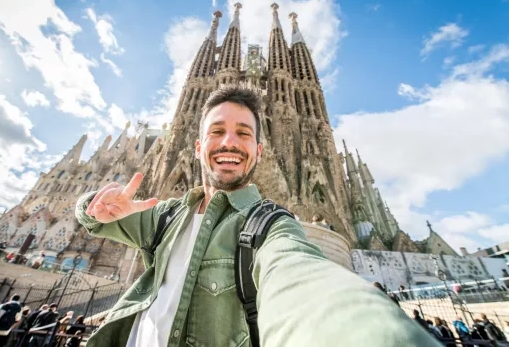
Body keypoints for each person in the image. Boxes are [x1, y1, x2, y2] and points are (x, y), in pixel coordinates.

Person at [75, 86, 441, 347]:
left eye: (243, 134)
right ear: (198, 146)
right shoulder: (166, 215)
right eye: (217, 131)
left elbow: (296, 273)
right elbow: (92, 219)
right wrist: (94, 204)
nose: (229, 142)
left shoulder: (271, 226)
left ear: (259, 150)